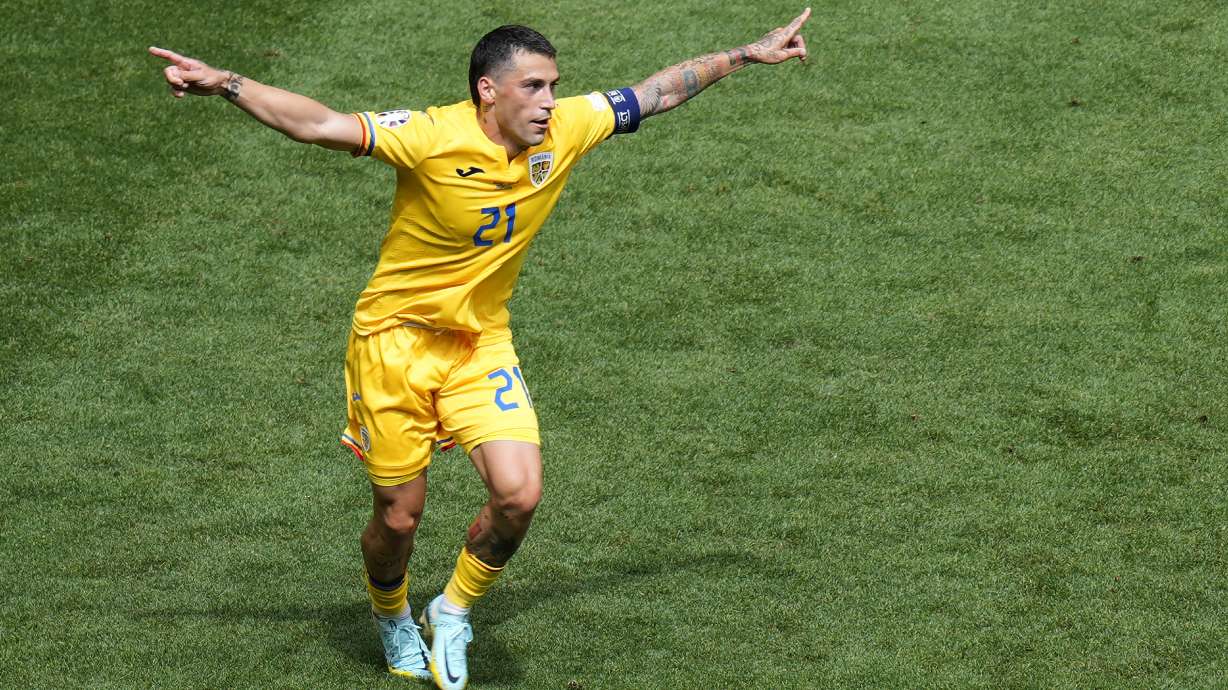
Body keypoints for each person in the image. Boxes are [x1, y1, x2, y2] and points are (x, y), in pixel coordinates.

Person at [150, 9, 809, 688]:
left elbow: (656, 91)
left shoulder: (567, 128)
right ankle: (390, 612)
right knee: (399, 516)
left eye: (553, 85)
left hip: (479, 344)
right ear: (489, 92)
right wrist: (224, 82)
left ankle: (454, 608)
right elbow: (318, 124)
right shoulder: (433, 135)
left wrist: (748, 55)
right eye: (533, 87)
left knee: (520, 496)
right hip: (393, 346)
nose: (550, 102)